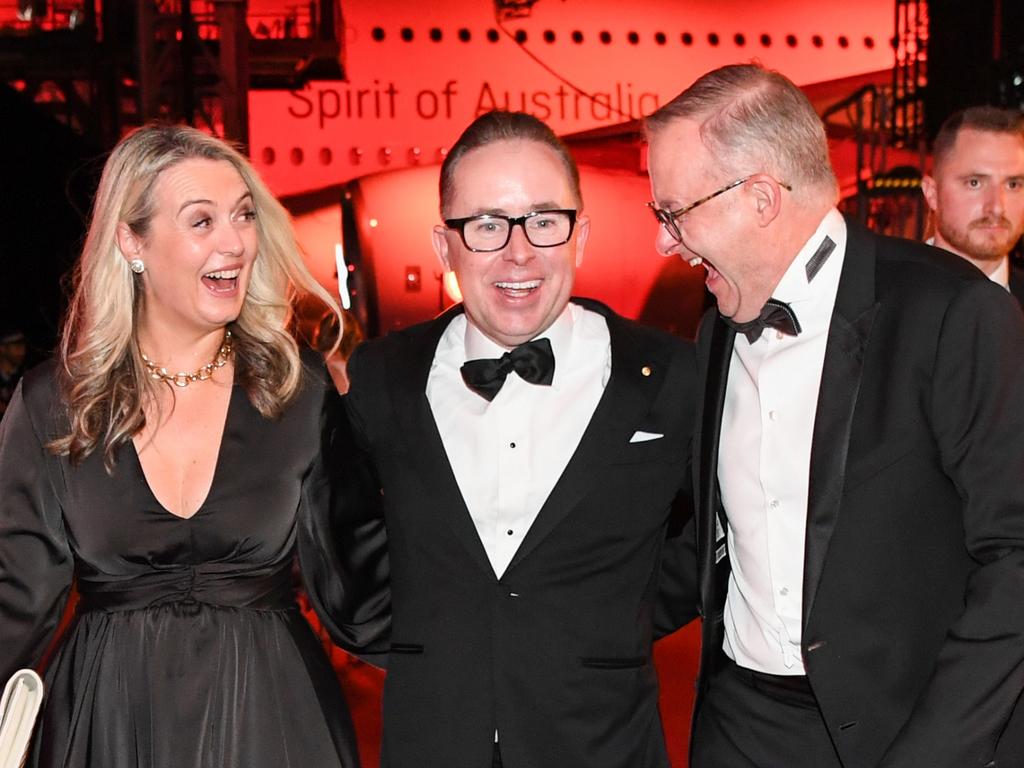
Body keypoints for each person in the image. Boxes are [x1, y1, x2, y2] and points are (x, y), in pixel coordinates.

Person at [646, 64, 1024, 768]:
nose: (666, 242)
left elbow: (1015, 560)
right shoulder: (715, 329)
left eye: (674, 212)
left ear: (759, 199)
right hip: (737, 726)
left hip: (900, 733)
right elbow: (711, 538)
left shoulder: (954, 315)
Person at [302, 110, 697, 768]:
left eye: (544, 221)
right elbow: (345, 542)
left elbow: (698, 550)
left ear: (581, 235)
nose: (519, 252)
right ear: (443, 245)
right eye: (486, 225)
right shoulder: (383, 378)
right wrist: (430, 645)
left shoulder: (667, 376)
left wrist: (602, 627)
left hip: (602, 744)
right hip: (433, 741)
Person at [0, 124, 372, 768]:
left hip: (274, 724)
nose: (235, 242)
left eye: (244, 216)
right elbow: (13, 604)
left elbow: (365, 590)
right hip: (105, 727)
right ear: (131, 241)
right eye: (201, 221)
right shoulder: (54, 404)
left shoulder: (297, 391)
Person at [921, 105, 1024, 304]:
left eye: (1013, 185)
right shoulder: (880, 303)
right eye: (974, 183)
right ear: (932, 193)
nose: (996, 207)